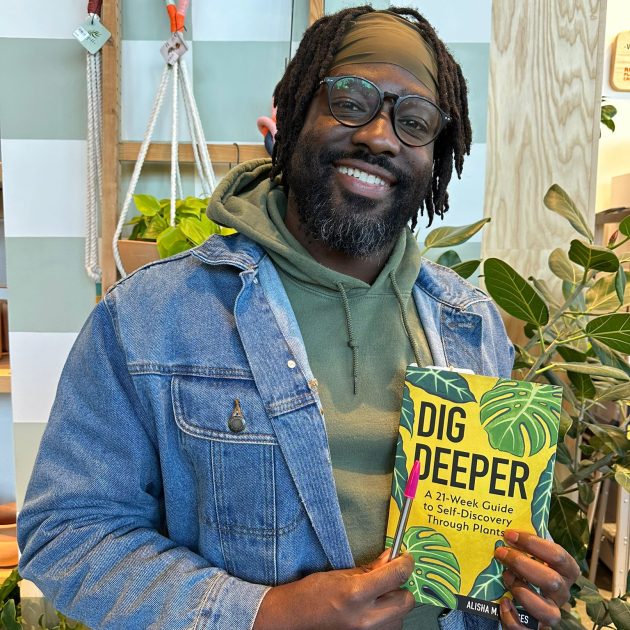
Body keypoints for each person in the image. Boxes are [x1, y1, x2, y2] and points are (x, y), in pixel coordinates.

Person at [18, 7, 580, 630]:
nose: (380, 136)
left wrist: (522, 592)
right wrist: (264, 613)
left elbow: (487, 546)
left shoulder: (471, 324)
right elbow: (67, 531)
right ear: (290, 118)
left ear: (436, 155)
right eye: (350, 100)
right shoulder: (150, 317)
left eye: (413, 121)